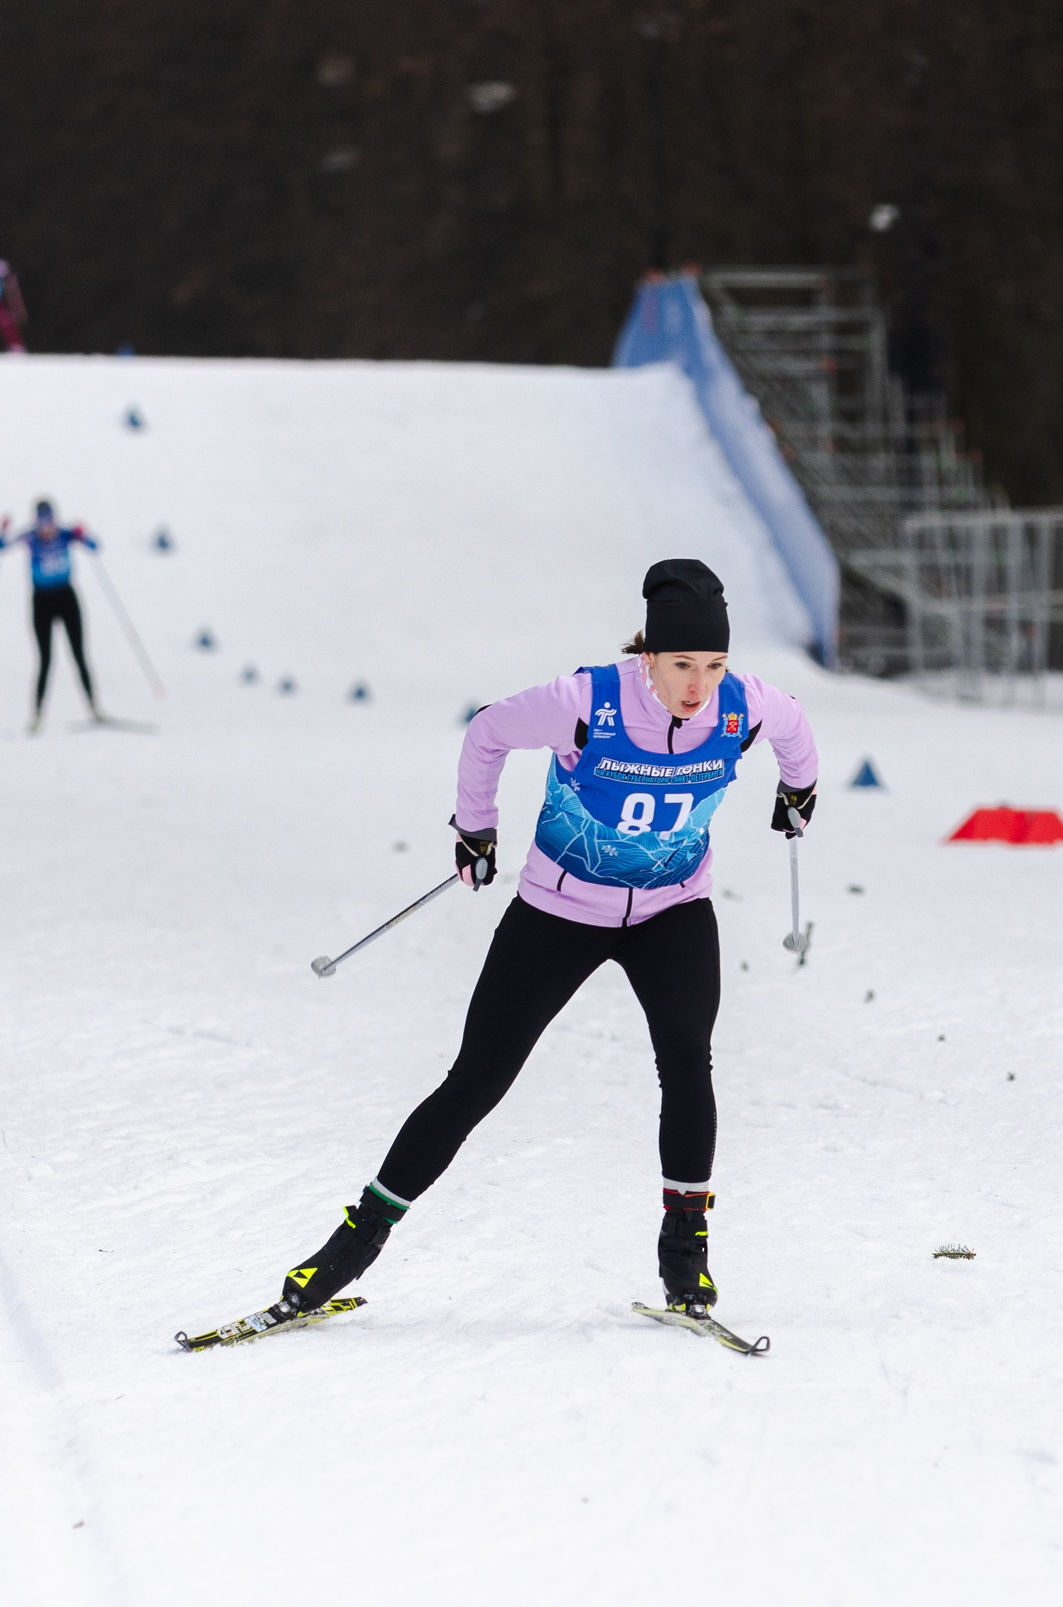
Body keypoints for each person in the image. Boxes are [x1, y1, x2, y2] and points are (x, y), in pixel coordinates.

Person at [264, 561, 817, 1328]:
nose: (699, 684)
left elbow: (794, 730)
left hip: (672, 909)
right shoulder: (586, 701)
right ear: (648, 655)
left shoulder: (741, 706)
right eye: (683, 664)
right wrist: (476, 826)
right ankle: (348, 1247)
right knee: (478, 1079)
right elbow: (488, 731)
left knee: (689, 1059)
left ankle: (685, 1260)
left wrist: (799, 790)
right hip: (559, 910)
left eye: (714, 665)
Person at [0, 499, 102, 731]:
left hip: (66, 597)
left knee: (79, 655)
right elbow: (0, 547)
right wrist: (1, 529)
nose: (47, 528)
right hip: (41, 600)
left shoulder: (66, 534)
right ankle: (37, 715)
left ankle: (94, 707)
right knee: (45, 660)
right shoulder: (29, 537)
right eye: (42, 522)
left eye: (50, 521)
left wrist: (83, 534)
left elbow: (95, 547)